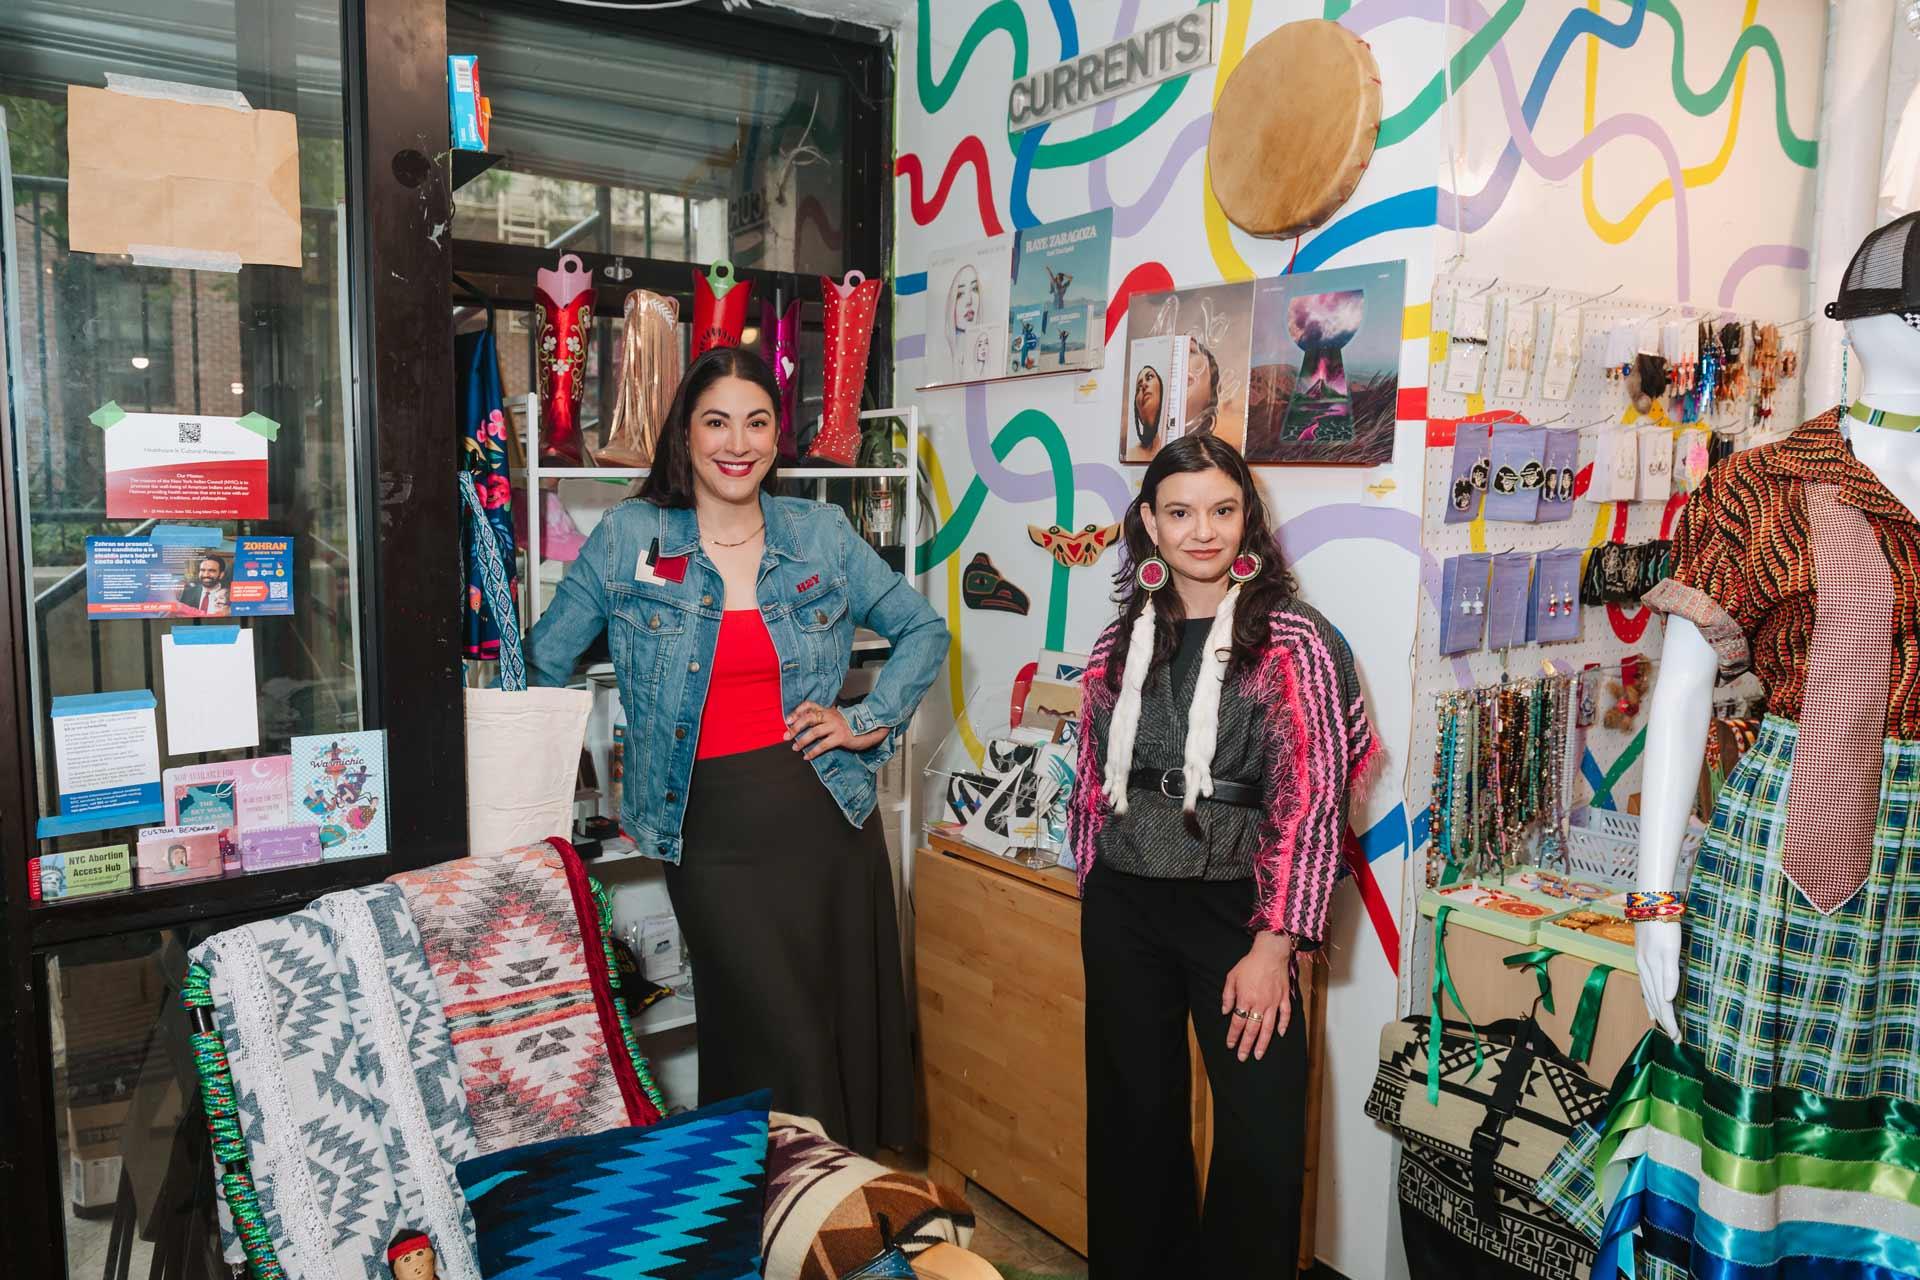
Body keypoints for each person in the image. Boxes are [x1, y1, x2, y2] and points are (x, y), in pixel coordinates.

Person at [526, 346, 948, 1154]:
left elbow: (922, 630)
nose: (737, 443)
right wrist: (547, 795)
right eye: (716, 422)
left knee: (832, 1027)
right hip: (707, 831)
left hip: (828, 816)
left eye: (756, 423)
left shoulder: (818, 533)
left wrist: (868, 719)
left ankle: (831, 1202)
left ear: (776, 436)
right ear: (684, 433)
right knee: (771, 1031)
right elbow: (544, 660)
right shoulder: (630, 535)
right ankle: (780, 1198)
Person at [1069, 434, 1376, 1278]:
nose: (1202, 531)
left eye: (1222, 510)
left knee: (1261, 1137)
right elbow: (1092, 772)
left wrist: (1277, 944)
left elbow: (1314, 795)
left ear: (1248, 518)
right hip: (1127, 901)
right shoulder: (1120, 636)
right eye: (1180, 512)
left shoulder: (1294, 637)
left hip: (1242, 909)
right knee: (1133, 1127)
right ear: (1149, 523)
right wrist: (1092, 877)